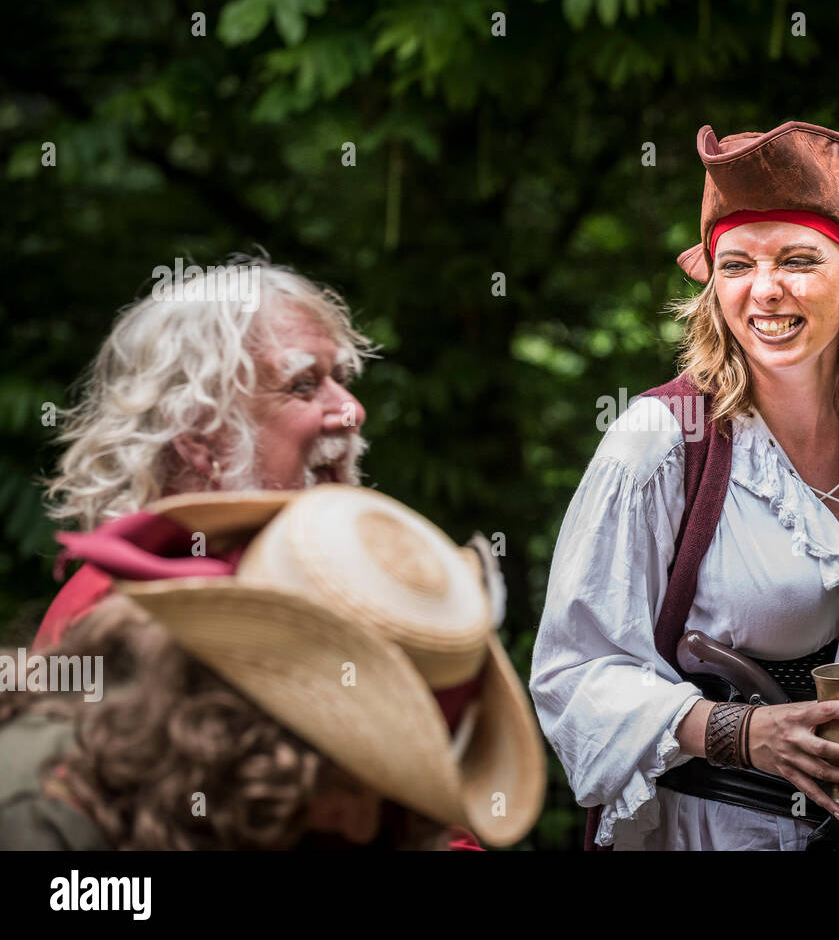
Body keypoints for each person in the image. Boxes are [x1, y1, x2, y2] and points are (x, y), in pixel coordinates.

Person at [530, 121, 839, 850]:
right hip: (734, 831)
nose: (764, 290)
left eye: (797, 259)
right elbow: (576, 671)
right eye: (736, 265)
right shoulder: (661, 442)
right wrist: (741, 730)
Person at [0, 485, 547, 849]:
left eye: (397, 794)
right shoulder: (42, 822)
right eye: (345, 778)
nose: (361, 827)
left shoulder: (236, 807)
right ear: (239, 720)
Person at [35, 253, 374, 650]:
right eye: (302, 385)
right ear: (198, 434)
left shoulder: (298, 576)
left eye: (339, 378)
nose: (353, 412)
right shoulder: (132, 619)